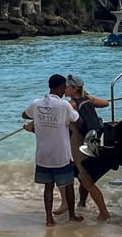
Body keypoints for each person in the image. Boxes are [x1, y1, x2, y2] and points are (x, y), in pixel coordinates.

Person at [21, 74, 83, 226]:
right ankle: (72, 216)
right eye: (64, 87)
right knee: (68, 185)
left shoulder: (37, 103)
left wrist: (40, 118)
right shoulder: (64, 105)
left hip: (43, 155)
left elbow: (24, 114)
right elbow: (78, 121)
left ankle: (49, 219)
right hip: (61, 155)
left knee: (48, 188)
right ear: (61, 87)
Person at [65, 75, 111, 221]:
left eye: (67, 86)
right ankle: (82, 203)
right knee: (84, 174)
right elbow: (105, 103)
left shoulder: (71, 105)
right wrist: (87, 98)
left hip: (78, 143)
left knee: (85, 178)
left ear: (74, 88)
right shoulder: (88, 100)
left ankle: (104, 212)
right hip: (92, 141)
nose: (65, 88)